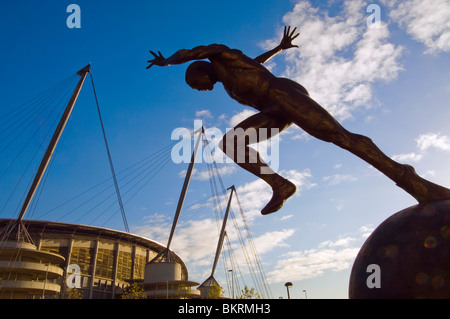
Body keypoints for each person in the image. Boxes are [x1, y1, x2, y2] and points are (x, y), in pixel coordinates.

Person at [147, 26, 450, 215]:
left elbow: (192, 51)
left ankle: (415, 183)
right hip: (272, 110)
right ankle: (280, 185)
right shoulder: (228, 80)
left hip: (282, 94)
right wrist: (279, 48)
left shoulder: (219, 56)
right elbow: (258, 63)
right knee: (231, 142)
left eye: (194, 84)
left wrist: (168, 62)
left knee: (340, 137)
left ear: (198, 70)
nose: (198, 89)